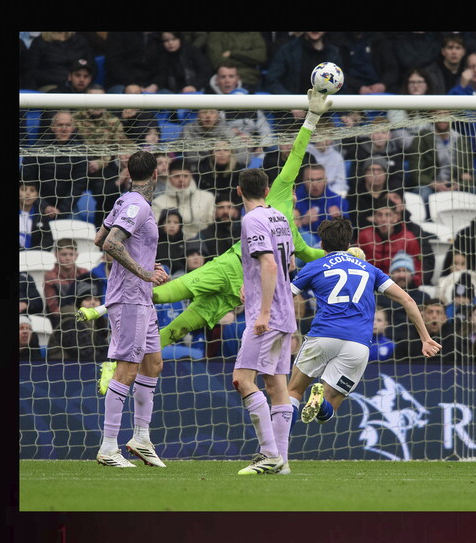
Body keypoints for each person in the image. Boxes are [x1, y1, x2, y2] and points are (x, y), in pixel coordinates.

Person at [80, 90, 333, 395]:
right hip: (228, 268)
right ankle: (108, 329)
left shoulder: (291, 230)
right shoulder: (276, 196)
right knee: (164, 294)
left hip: (238, 294)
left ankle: (121, 364)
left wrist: (347, 252)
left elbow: (311, 253)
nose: (294, 186)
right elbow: (295, 155)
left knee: (177, 330)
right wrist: (312, 118)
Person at [287, 218, 442, 429]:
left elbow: (286, 298)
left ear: (321, 245)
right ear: (349, 244)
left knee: (293, 392)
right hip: (358, 344)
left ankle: (277, 452)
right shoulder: (370, 270)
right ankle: (320, 402)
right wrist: (425, 338)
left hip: (323, 335)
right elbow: (408, 300)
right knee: (327, 413)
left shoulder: (314, 266)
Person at [91, 150, 170, 468]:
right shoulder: (138, 204)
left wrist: (145, 263)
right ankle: (108, 447)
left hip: (142, 298)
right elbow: (110, 243)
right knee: (127, 369)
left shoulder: (126, 200)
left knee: (153, 364)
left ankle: (141, 438)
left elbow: (99, 237)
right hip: (129, 298)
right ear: (155, 174)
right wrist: (144, 271)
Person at [229, 164, 298, 475]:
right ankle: (281, 463)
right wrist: (251, 281)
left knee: (242, 380)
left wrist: (264, 311)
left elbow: (270, 265)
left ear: (239, 191)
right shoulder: (279, 217)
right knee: (276, 385)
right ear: (268, 190)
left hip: (267, 316)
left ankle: (269, 454)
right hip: (287, 313)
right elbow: (288, 263)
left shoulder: (251, 219)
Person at [356, 195, 424, 287]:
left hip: (399, 288)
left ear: (395, 218)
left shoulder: (409, 239)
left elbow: (417, 273)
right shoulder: (364, 236)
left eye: (388, 215)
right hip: (369, 286)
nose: (383, 219)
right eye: (379, 215)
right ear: (374, 218)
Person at [151, 158, 215, 241]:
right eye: (176, 176)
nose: (181, 180)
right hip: (171, 246)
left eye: (185, 176)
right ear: (169, 177)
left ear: (191, 176)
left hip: (202, 246)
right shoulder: (158, 203)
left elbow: (211, 226)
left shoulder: (207, 198)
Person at [47, 280, 110, 362]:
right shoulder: (70, 323)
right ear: (79, 304)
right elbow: (86, 354)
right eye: (87, 299)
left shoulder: (97, 323)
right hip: (63, 371)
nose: (93, 303)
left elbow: (104, 350)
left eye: (96, 299)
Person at [263, 32, 344, 96]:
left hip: (323, 112)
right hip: (291, 112)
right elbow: (272, 80)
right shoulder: (288, 50)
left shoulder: (334, 53)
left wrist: (346, 112)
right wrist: (291, 103)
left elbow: (340, 85)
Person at [293, 163, 349, 241]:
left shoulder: (337, 201)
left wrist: (339, 220)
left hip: (330, 245)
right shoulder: (294, 200)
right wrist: (303, 222)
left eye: (319, 180)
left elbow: (349, 233)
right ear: (303, 181)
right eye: (310, 180)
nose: (315, 184)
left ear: (326, 180)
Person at [22, 32, 94, 91]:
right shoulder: (39, 42)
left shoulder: (80, 40)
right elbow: (31, 71)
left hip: (80, 85)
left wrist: (82, 79)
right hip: (51, 85)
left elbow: (92, 66)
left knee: (97, 92)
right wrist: (65, 79)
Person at [43, 238, 91, 324]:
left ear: (76, 255)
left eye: (71, 254)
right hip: (61, 320)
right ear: (56, 255)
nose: (68, 258)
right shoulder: (50, 276)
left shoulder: (84, 273)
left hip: (85, 317)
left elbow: (90, 299)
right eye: (64, 254)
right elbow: (54, 309)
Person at [19, 180, 55, 251]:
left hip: (35, 257)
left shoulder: (41, 215)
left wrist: (35, 254)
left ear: (37, 195)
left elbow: (47, 240)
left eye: (32, 191)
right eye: (24, 189)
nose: (27, 193)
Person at [156, 209, 187, 275]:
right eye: (168, 222)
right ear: (162, 223)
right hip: (160, 270)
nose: (172, 225)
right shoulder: (156, 240)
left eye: (176, 222)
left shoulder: (182, 241)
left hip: (178, 273)